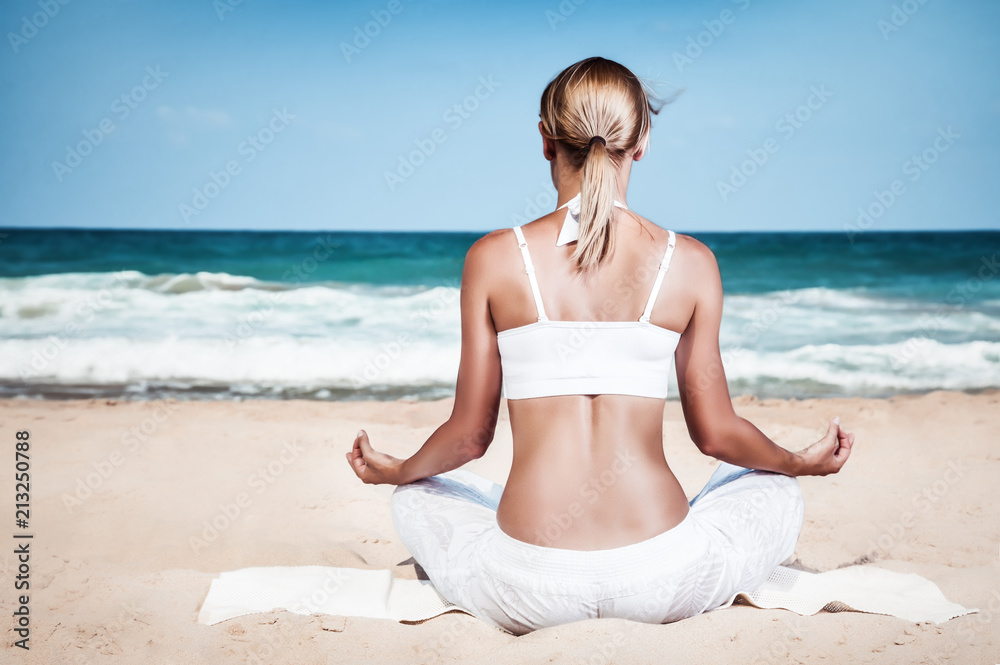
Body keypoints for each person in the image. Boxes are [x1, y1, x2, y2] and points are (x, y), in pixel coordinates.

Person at [346, 56, 855, 635]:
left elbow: (468, 439)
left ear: (545, 140)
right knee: (773, 485)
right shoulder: (689, 263)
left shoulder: (492, 258)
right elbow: (716, 434)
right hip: (662, 575)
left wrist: (401, 470)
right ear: (640, 144)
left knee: (419, 493)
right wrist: (797, 462)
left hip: (527, 584)